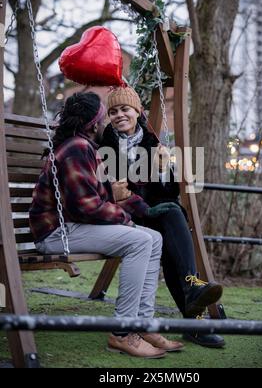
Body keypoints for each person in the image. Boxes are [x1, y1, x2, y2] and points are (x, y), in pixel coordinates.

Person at [29, 91, 185, 359]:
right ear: (93, 122)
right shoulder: (77, 148)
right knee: (139, 240)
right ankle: (122, 332)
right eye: (104, 116)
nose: (107, 122)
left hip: (75, 226)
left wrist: (144, 210)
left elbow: (105, 195)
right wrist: (127, 220)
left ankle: (143, 323)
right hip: (57, 233)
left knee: (154, 238)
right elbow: (86, 207)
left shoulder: (85, 147)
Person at [101, 85, 225, 348]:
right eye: (113, 111)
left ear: (137, 111)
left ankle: (193, 299)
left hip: (154, 214)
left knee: (172, 222)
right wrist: (148, 167)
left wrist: (163, 169)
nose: (119, 115)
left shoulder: (152, 142)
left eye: (125, 109)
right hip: (125, 214)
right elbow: (118, 189)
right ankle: (195, 317)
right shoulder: (105, 146)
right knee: (169, 224)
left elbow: (169, 191)